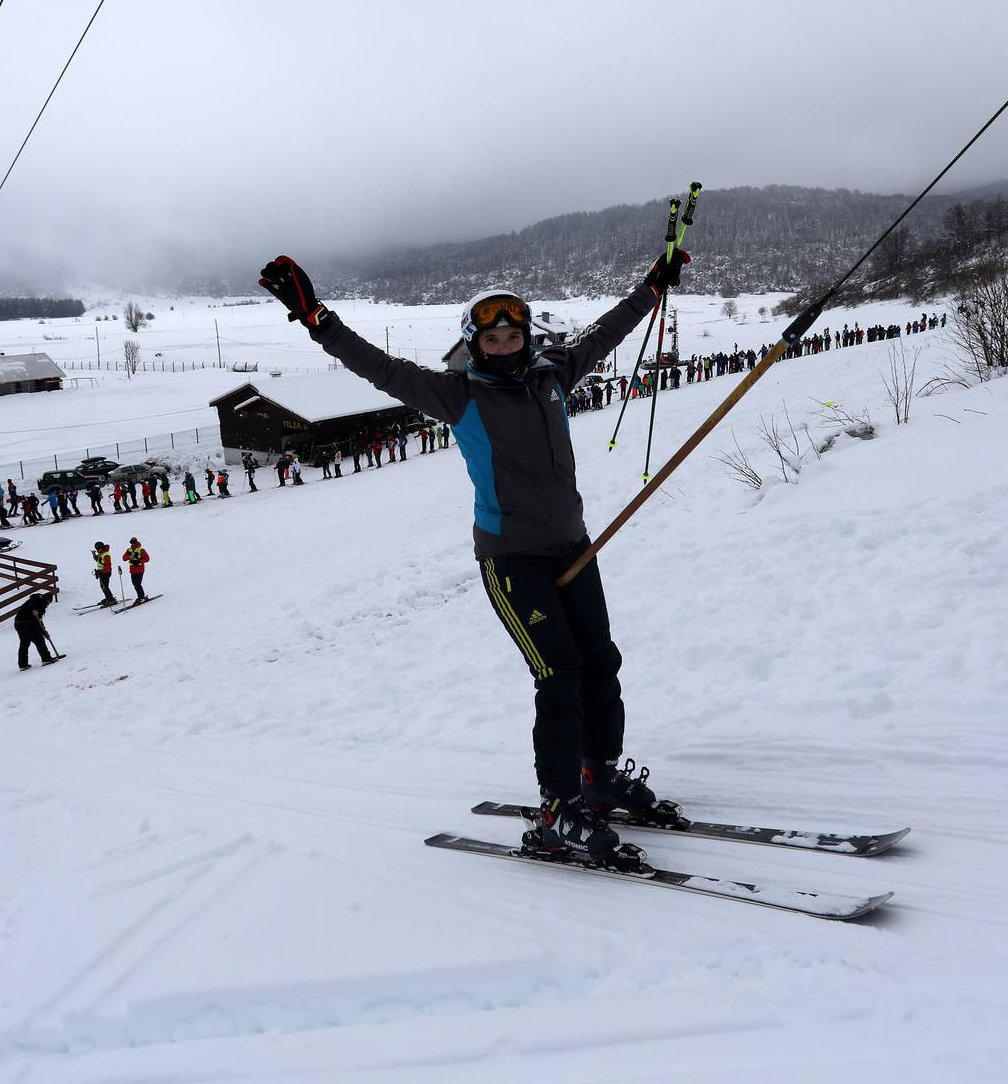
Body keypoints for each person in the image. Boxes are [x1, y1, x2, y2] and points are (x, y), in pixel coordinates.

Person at [259, 248, 689, 865]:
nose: (507, 344)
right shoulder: (455, 396)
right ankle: (558, 811)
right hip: (514, 562)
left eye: (515, 334)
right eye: (494, 337)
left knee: (600, 662)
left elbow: (607, 333)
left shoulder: (554, 375)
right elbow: (376, 366)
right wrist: (316, 319)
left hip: (573, 545)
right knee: (559, 674)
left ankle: (598, 778)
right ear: (474, 342)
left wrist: (652, 290)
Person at [13, 592, 57, 670]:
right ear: (46, 599)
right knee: (39, 640)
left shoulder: (38, 602)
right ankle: (46, 659)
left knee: (24, 643)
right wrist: (44, 633)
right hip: (27, 624)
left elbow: (39, 622)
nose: (48, 604)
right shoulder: (38, 602)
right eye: (49, 602)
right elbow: (37, 621)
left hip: (18, 623)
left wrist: (45, 632)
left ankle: (23, 664)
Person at [122, 536, 150, 602]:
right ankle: (140, 597)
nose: (133, 543)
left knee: (137, 584)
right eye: (131, 542)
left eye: (134, 542)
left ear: (136, 542)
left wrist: (139, 561)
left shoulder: (141, 550)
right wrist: (129, 556)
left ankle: (141, 597)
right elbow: (123, 558)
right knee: (135, 584)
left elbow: (147, 559)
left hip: (140, 570)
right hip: (132, 570)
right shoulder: (129, 550)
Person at [92, 541, 115, 605]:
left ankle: (111, 600)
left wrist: (100, 571)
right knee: (102, 586)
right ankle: (108, 598)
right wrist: (94, 555)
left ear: (101, 548)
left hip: (106, 573)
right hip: (102, 573)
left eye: (98, 549)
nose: (97, 550)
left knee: (105, 587)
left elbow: (107, 567)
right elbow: (99, 561)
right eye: (96, 549)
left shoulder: (106, 555)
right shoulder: (101, 553)